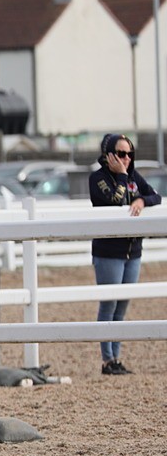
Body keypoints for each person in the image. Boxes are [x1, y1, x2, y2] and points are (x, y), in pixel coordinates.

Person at [88, 133, 160, 374]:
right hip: (109, 252)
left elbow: (155, 196)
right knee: (108, 305)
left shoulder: (134, 177)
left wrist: (141, 201)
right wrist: (120, 175)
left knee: (122, 307)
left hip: (133, 251)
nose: (126, 158)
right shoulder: (98, 178)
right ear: (108, 154)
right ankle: (107, 360)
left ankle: (116, 357)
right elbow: (114, 200)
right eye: (120, 154)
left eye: (129, 154)